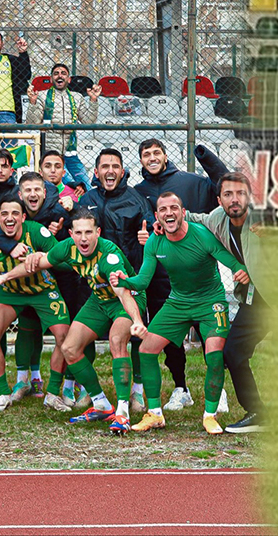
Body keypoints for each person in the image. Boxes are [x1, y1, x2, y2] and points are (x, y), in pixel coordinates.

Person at [109, 192, 250, 435]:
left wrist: (242, 272)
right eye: (163, 209)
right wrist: (125, 280)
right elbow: (143, 280)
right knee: (146, 349)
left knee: (215, 356)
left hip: (211, 301)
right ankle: (155, 413)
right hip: (178, 302)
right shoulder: (155, 241)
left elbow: (232, 262)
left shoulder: (202, 235)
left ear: (183, 212)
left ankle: (210, 414)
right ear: (157, 216)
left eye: (174, 207)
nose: (169, 213)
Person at [7, 209, 147, 433]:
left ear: (98, 232)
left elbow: (123, 293)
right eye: (79, 232)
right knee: (69, 348)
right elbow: (38, 263)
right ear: (71, 234)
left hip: (126, 299)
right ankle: (100, 403)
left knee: (116, 339)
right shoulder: (66, 247)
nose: (84, 238)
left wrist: (137, 320)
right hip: (99, 300)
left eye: (89, 232)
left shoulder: (109, 255)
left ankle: (122, 412)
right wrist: (4, 277)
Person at [133, 139, 231, 412]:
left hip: (198, 275)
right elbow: (142, 222)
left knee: (209, 333)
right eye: (146, 154)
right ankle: (180, 388)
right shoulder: (139, 191)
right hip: (161, 275)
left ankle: (218, 390)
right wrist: (142, 235)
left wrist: (205, 156)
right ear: (140, 160)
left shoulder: (192, 182)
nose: (151, 158)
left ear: (165, 156)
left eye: (156, 153)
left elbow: (223, 186)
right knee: (168, 339)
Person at [0, 171, 75, 400]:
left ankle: (55, 392)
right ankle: (5, 392)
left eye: (15, 214)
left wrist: (46, 258)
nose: (10, 218)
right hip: (11, 292)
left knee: (65, 338)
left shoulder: (38, 230)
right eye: (4, 214)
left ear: (23, 217)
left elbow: (65, 263)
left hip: (43, 290)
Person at [182, 172, 268, 434]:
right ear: (219, 199)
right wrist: (167, 221)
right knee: (233, 352)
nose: (235, 199)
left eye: (241, 193)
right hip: (258, 301)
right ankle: (258, 413)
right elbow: (194, 219)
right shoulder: (217, 218)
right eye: (228, 194)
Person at [75, 148, 155, 409]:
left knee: (134, 333)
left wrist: (148, 237)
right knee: (83, 336)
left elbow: (154, 231)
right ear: (96, 172)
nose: (110, 171)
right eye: (105, 166)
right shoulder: (86, 199)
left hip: (127, 280)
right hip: (93, 283)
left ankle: (137, 391)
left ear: (123, 171)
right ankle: (89, 391)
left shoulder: (137, 200)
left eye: (115, 166)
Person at [24, 63, 100, 186]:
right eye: (56, 73)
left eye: (63, 73)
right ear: (51, 79)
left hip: (71, 152)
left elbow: (88, 122)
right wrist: (32, 102)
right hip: (50, 153)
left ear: (69, 79)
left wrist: (93, 100)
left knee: (86, 185)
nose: (60, 76)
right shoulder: (42, 96)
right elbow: (33, 122)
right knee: (72, 186)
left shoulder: (77, 97)